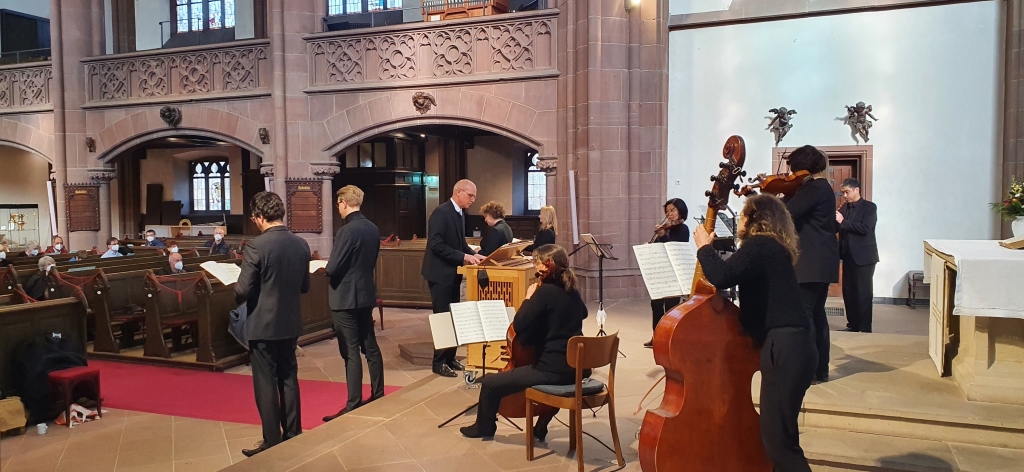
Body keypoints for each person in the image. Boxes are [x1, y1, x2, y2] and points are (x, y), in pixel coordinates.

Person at [694, 194, 816, 472]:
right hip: (797, 346)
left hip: (784, 348)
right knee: (783, 436)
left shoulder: (759, 245)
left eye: (743, 214)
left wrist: (704, 248)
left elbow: (723, 276)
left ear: (754, 219)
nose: (739, 219)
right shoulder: (773, 248)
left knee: (778, 444)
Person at [460, 244, 588, 440]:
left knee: (490, 383)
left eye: (537, 263)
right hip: (576, 369)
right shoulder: (571, 289)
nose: (535, 267)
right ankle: (541, 425)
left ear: (547, 266)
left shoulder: (545, 292)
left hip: (551, 371)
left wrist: (528, 298)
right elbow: (584, 313)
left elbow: (519, 324)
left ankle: (483, 428)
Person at [234, 192, 311, 457]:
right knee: (289, 377)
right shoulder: (301, 244)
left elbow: (242, 291)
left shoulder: (257, 246)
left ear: (258, 217)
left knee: (266, 383)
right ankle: (293, 433)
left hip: (263, 324)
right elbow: (304, 286)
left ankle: (272, 440)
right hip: (289, 322)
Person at [323, 185, 384, 422]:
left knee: (350, 351)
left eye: (338, 204)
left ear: (344, 203)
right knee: (370, 346)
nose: (338, 208)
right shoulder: (372, 228)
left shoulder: (347, 231)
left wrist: (325, 267)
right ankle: (378, 393)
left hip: (345, 297)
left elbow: (333, 267)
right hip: (365, 294)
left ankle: (353, 402)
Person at [783, 145, 839, 383]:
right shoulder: (821, 187)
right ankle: (819, 370)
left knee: (805, 316)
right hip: (821, 261)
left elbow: (787, 212)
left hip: (811, 262)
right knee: (816, 315)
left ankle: (806, 371)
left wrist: (770, 200)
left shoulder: (814, 188)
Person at [422, 179, 486, 378]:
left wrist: (474, 254)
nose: (473, 200)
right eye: (470, 196)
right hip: (440, 274)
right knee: (443, 318)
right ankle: (438, 362)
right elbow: (436, 245)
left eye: (474, 196)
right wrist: (464, 256)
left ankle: (449, 357)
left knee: (452, 316)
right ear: (458, 192)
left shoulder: (459, 214)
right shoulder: (442, 212)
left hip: (452, 273)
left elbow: (459, 243)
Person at [836, 178, 879, 333]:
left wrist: (843, 221)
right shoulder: (845, 208)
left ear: (857, 190)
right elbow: (837, 226)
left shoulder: (869, 207)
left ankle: (865, 327)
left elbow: (865, 228)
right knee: (849, 291)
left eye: (847, 192)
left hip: (864, 257)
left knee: (864, 292)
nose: (845, 195)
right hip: (847, 256)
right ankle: (853, 324)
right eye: (843, 193)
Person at [646, 198, 690, 348]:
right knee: (656, 305)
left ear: (681, 211)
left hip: (674, 275)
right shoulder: (666, 229)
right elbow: (660, 248)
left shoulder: (683, 229)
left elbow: (674, 249)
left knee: (670, 309)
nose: (669, 214)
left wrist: (663, 236)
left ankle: (669, 338)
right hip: (661, 273)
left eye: (673, 210)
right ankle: (656, 337)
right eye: (667, 211)